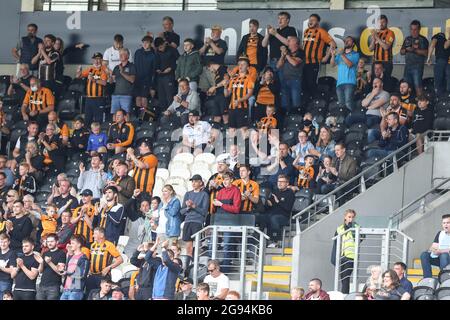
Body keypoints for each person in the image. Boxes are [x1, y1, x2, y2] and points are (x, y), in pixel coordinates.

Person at [302, 13, 336, 100]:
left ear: (318, 22)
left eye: (313, 20)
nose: (310, 22)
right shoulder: (306, 31)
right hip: (303, 63)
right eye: (309, 20)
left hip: (314, 63)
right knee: (304, 84)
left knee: (312, 83)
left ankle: (315, 103)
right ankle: (306, 105)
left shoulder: (321, 32)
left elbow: (333, 43)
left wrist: (326, 56)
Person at [86, 227, 123, 295]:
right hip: (92, 276)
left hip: (103, 276)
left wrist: (108, 268)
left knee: (102, 295)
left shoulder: (109, 245)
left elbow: (120, 260)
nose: (93, 235)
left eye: (95, 233)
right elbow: (91, 260)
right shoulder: (93, 245)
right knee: (90, 295)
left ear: (102, 235)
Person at [224, 55, 255, 136]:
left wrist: (240, 100)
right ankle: (232, 147)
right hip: (232, 107)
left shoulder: (249, 78)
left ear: (247, 67)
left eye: (243, 64)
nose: (240, 66)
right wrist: (225, 86)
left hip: (242, 107)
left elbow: (249, 94)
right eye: (239, 64)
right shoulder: (233, 79)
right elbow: (227, 94)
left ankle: (245, 147)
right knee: (231, 129)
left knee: (243, 129)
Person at [331, 209, 359, 294]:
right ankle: (344, 294)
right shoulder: (340, 228)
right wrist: (334, 257)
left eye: (353, 217)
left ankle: (344, 296)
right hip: (342, 256)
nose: (351, 219)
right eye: (349, 217)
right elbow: (336, 242)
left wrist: (352, 228)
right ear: (345, 217)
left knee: (346, 276)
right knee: (342, 277)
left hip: (351, 256)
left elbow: (361, 238)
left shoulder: (356, 227)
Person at [181, 174, 209, 258]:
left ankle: (197, 263)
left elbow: (204, 212)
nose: (193, 183)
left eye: (196, 181)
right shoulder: (188, 194)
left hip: (198, 222)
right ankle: (189, 264)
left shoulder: (204, 195)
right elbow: (182, 211)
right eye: (192, 181)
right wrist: (188, 208)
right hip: (188, 221)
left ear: (201, 183)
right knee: (188, 247)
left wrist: (194, 206)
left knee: (198, 246)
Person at [76, 52, 108, 126]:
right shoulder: (91, 69)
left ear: (101, 60)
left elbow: (104, 83)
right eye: (95, 59)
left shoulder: (103, 69)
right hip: (89, 99)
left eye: (98, 59)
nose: (96, 61)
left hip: (98, 99)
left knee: (98, 120)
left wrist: (94, 80)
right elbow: (79, 76)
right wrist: (79, 71)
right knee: (87, 119)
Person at [263, 174, 295, 247]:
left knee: (274, 218)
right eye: (278, 181)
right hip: (272, 214)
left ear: (287, 184)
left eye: (282, 182)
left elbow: (287, 208)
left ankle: (275, 242)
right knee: (261, 217)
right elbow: (270, 204)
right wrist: (266, 201)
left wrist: (278, 201)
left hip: (284, 217)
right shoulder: (275, 191)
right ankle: (259, 241)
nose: (279, 183)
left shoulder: (290, 193)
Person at [330, 36, 360, 112]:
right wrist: (333, 55)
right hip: (339, 83)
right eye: (345, 41)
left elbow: (350, 64)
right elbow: (332, 65)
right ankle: (343, 120)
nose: (346, 42)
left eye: (349, 41)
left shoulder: (355, 54)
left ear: (353, 44)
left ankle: (350, 120)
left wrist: (342, 54)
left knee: (348, 103)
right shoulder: (340, 54)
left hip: (350, 82)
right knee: (341, 105)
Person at [400, 20, 429, 97]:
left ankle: (420, 105)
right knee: (406, 87)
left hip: (417, 67)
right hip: (407, 66)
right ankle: (407, 104)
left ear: (419, 29)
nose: (413, 31)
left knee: (418, 87)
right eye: (411, 29)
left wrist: (414, 50)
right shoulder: (407, 39)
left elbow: (426, 53)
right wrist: (406, 49)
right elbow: (401, 52)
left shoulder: (423, 39)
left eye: (415, 29)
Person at [277, 36, 305, 115]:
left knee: (296, 102)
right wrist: (283, 56)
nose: (288, 42)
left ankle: (296, 118)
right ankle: (287, 120)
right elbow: (278, 66)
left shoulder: (301, 52)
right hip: (285, 79)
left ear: (295, 43)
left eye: (290, 41)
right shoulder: (287, 53)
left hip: (295, 80)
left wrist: (286, 55)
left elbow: (295, 63)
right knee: (285, 103)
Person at [35, 233, 66, 300]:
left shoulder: (62, 253)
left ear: (57, 242)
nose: (49, 243)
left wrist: (49, 262)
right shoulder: (45, 253)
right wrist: (41, 263)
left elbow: (60, 271)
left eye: (52, 241)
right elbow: (40, 271)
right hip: (42, 285)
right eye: (48, 241)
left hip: (54, 286)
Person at [60, 235, 90, 300]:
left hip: (76, 290)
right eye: (71, 243)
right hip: (66, 289)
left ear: (79, 244)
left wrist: (66, 273)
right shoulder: (71, 256)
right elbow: (67, 270)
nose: (71, 245)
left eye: (73, 243)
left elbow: (81, 275)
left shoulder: (83, 258)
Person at [420, 214, 450, 278]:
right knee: (424, 255)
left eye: (448, 223)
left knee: (444, 255)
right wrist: (434, 250)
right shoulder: (440, 233)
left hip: (447, 258)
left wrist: (441, 251)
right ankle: (427, 279)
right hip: (439, 258)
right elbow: (433, 247)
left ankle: (444, 279)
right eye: (444, 223)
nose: (445, 225)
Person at [154, 37, 179, 110]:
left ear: (164, 44)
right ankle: (163, 115)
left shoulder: (172, 50)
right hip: (160, 77)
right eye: (158, 48)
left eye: (161, 47)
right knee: (161, 97)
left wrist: (171, 68)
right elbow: (156, 63)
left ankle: (171, 113)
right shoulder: (157, 52)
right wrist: (157, 69)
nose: (160, 49)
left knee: (169, 97)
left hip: (169, 76)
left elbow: (179, 61)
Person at [134, 35, 156, 115]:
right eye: (143, 43)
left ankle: (143, 118)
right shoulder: (137, 52)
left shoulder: (153, 55)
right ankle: (138, 118)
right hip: (137, 80)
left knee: (144, 100)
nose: (145, 44)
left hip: (147, 81)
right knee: (138, 99)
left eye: (147, 43)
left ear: (150, 43)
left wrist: (152, 86)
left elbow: (154, 72)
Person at [110, 48, 136, 114]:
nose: (120, 56)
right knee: (114, 114)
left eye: (123, 54)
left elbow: (132, 80)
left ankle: (126, 125)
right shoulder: (116, 67)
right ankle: (114, 125)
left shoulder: (132, 66)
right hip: (115, 95)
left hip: (126, 95)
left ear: (127, 56)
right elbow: (111, 81)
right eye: (120, 54)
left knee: (126, 115)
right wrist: (109, 77)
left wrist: (122, 73)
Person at [427, 30, 450, 96]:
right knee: (446, 83)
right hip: (448, 63)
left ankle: (440, 99)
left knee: (438, 83)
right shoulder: (446, 41)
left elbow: (432, 45)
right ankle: (446, 99)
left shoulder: (437, 37)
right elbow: (445, 46)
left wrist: (429, 57)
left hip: (441, 61)